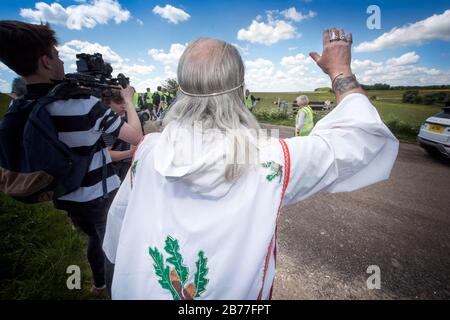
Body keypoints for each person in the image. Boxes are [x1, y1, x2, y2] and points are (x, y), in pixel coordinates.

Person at [103, 30, 399, 300]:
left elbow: (119, 226)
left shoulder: (148, 151)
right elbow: (362, 138)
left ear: (181, 89)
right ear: (240, 90)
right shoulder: (274, 161)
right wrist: (340, 71)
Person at [0, 20, 143, 296]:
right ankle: (117, 290)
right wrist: (128, 101)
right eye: (57, 56)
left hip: (65, 195)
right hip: (99, 194)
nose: (62, 62)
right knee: (114, 245)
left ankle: (97, 284)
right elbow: (135, 135)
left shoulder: (23, 103)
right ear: (45, 62)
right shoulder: (83, 104)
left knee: (93, 237)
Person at [102, 89, 135, 182]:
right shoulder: (107, 124)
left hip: (127, 165)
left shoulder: (128, 117)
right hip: (115, 170)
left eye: (125, 101)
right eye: (118, 102)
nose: (124, 105)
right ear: (107, 103)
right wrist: (131, 153)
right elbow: (106, 154)